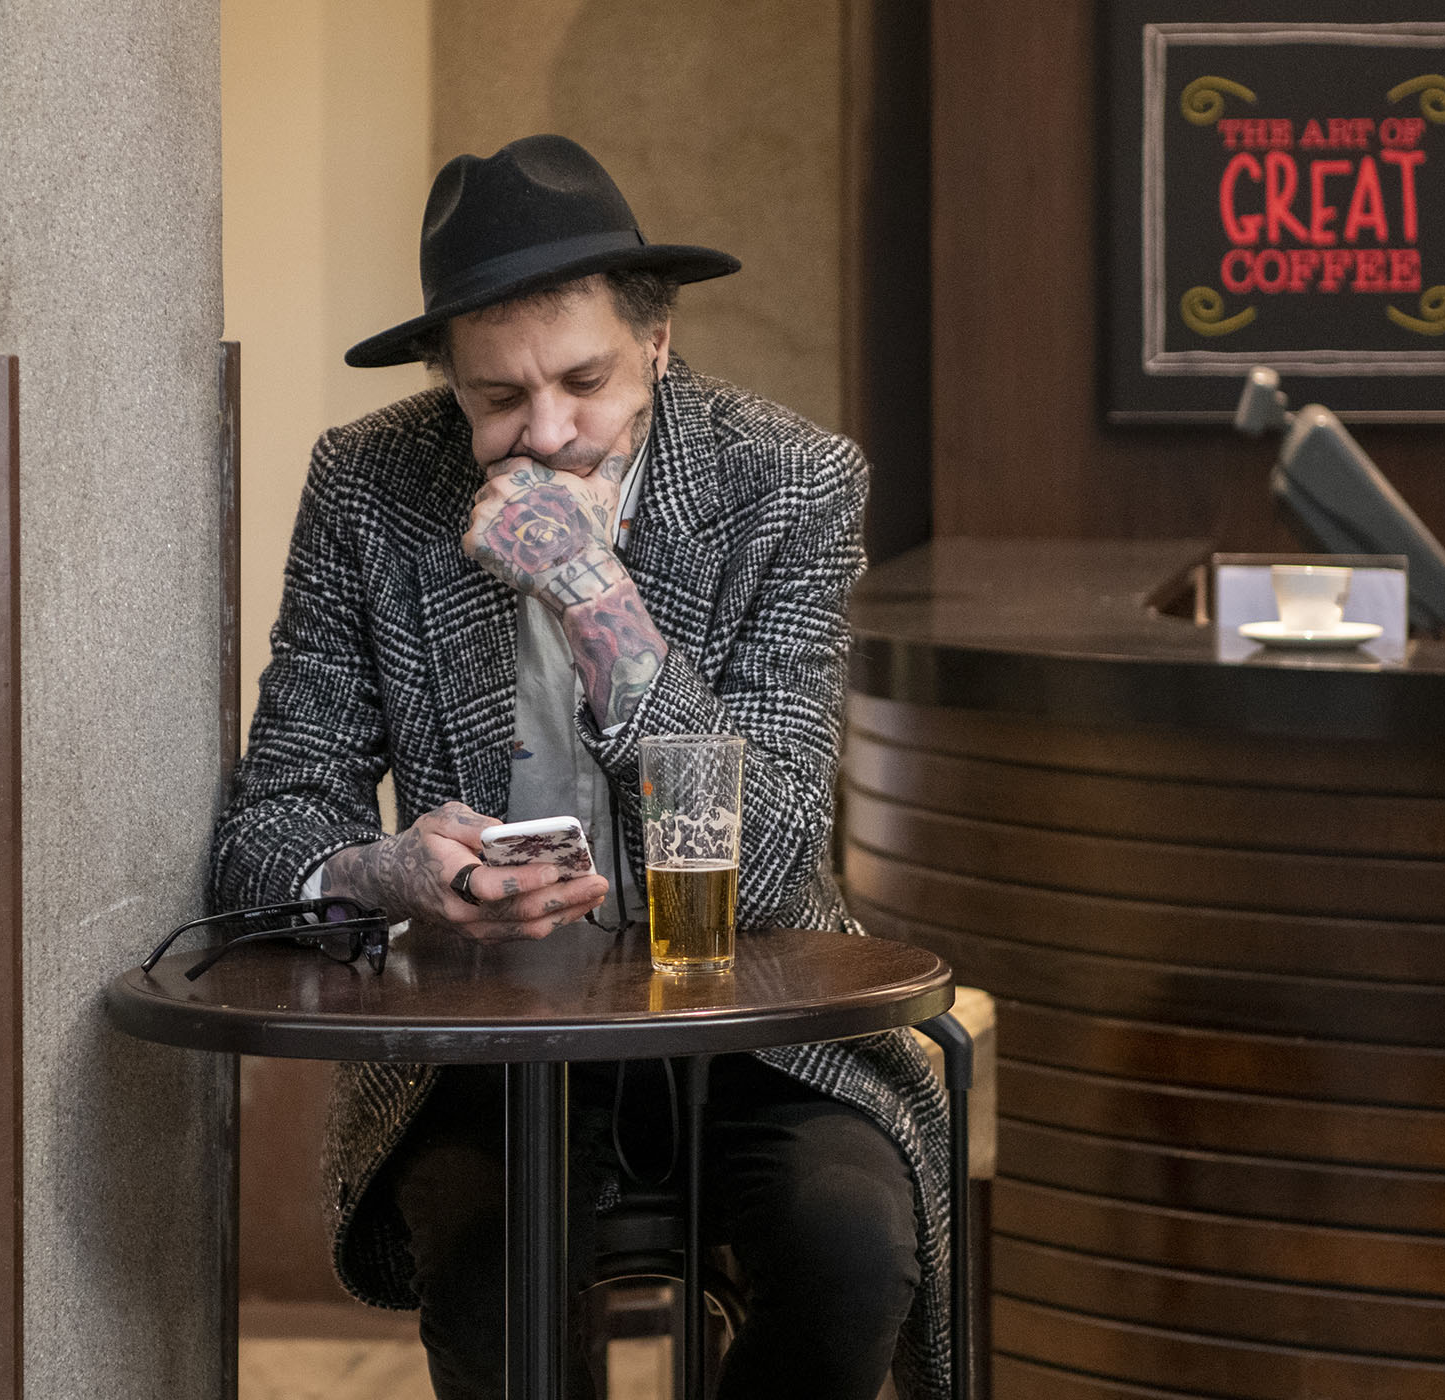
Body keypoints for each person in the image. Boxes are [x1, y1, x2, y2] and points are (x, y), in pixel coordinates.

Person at [209, 134, 951, 1400]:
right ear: (447, 377)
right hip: (481, 1034)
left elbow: (768, 856)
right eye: (496, 397)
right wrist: (388, 870)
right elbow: (270, 819)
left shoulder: (788, 479)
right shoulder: (368, 484)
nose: (544, 434)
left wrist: (592, 592)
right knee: (492, 1264)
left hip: (749, 1017)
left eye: (584, 379)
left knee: (848, 1245)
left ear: (656, 340)